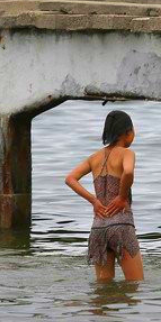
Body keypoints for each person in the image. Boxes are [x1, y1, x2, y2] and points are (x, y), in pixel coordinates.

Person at [65, 110, 144, 282]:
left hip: (98, 228)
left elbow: (70, 179)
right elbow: (128, 172)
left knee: (102, 291)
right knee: (135, 285)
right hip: (121, 226)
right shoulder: (126, 153)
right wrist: (122, 197)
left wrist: (93, 200)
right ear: (127, 133)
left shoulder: (94, 157)